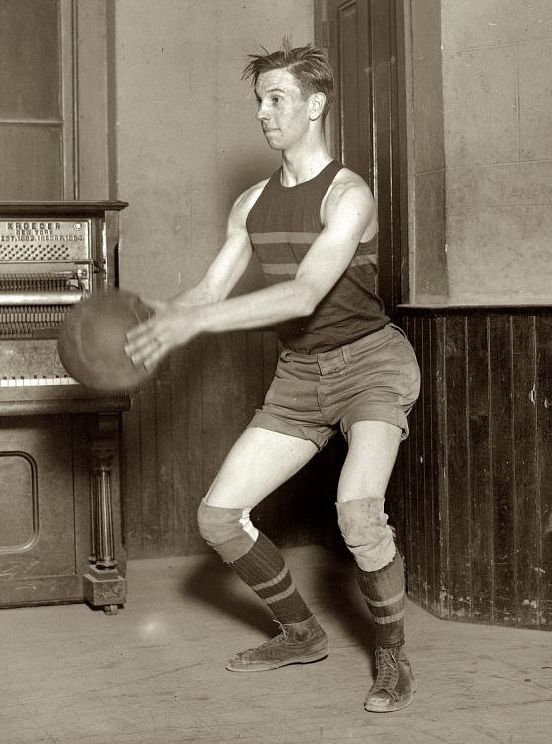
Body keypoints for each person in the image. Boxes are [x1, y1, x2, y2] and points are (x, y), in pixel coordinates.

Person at [124, 39, 421, 713]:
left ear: (315, 106)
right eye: (259, 100)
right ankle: (301, 632)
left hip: (372, 364)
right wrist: (159, 317)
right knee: (219, 518)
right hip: (299, 375)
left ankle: (393, 655)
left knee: (358, 512)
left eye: (277, 98)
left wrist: (196, 323)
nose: (263, 113)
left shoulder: (348, 194)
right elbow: (208, 289)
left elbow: (304, 294)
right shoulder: (252, 202)